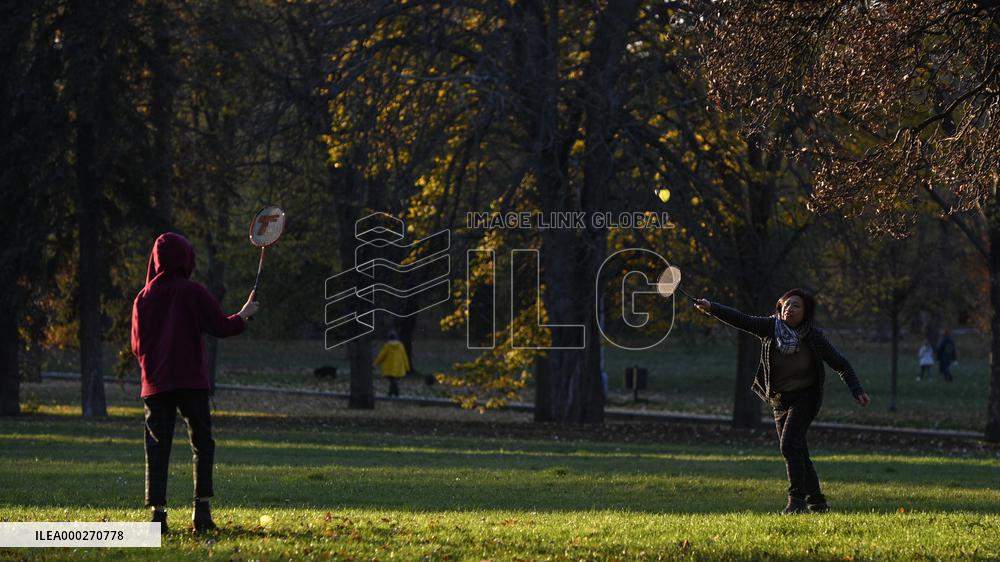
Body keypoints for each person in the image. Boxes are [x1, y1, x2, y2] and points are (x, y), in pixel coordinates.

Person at [693, 289, 870, 514]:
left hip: (806, 398)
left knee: (788, 445)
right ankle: (817, 502)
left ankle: (796, 502)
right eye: (786, 304)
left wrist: (857, 390)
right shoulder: (770, 328)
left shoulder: (814, 337)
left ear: (806, 312)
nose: (789, 308)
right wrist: (712, 308)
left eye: (796, 305)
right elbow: (742, 320)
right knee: (799, 450)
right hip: (779, 400)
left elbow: (841, 364)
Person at [131, 233, 259, 534]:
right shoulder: (193, 292)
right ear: (186, 259)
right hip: (191, 381)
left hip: (156, 384)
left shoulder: (143, 297)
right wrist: (244, 315)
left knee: (157, 447)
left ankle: (158, 517)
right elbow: (222, 327)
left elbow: (137, 346)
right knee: (202, 443)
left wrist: (152, 368)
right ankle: (201, 512)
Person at [374, 330, 409, 397]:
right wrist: (407, 367)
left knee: (392, 381)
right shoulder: (400, 345)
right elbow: (404, 356)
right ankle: (394, 394)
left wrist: (375, 364)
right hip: (399, 367)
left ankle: (393, 394)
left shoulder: (387, 346)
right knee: (394, 381)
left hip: (389, 367)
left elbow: (381, 356)